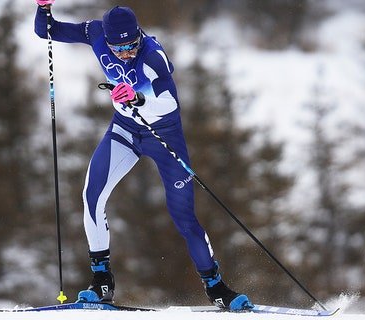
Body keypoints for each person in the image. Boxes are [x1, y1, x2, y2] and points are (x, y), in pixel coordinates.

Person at [34, 0, 253, 311]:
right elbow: (47, 31)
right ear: (106, 40)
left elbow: (169, 104)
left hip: (164, 137)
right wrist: (43, 8)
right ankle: (102, 281)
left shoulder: (152, 56)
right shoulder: (96, 33)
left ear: (139, 35)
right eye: (118, 48)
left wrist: (137, 97)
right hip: (124, 130)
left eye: (131, 45)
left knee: (184, 217)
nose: (126, 53)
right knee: (91, 196)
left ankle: (215, 286)